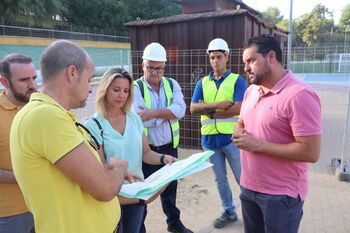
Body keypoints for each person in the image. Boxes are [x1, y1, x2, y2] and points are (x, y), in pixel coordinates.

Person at [10, 40, 128, 233]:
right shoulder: (45, 117)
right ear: (72, 73)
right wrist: (120, 167)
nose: (91, 89)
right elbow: (105, 189)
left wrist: (108, 169)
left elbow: (76, 175)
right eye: (89, 79)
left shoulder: (53, 115)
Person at [232, 34, 321, 233]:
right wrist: (238, 131)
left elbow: (311, 152)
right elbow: (241, 121)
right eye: (245, 62)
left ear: (271, 57)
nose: (246, 67)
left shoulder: (299, 95)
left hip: (281, 196)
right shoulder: (251, 92)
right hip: (248, 187)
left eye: (251, 60)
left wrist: (258, 145)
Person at [84, 67, 176, 233]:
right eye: (116, 90)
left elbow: (146, 153)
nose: (122, 95)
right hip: (113, 196)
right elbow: (99, 166)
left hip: (136, 191)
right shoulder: (94, 125)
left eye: (126, 91)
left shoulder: (134, 119)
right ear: (105, 89)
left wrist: (164, 159)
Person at [133, 42, 191, 233]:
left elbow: (181, 110)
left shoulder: (171, 84)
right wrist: (167, 115)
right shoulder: (136, 88)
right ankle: (139, 228)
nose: (155, 72)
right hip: (146, 151)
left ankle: (174, 224)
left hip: (169, 147)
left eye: (159, 68)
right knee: (144, 192)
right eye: (150, 67)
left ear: (164, 67)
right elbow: (140, 119)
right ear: (143, 65)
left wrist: (154, 114)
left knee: (170, 189)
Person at [190, 38, 247, 229]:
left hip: (232, 139)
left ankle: (252, 212)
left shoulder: (237, 80)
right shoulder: (202, 82)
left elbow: (239, 107)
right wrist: (216, 106)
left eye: (219, 57)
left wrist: (206, 110)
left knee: (243, 178)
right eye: (212, 57)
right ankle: (229, 211)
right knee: (220, 180)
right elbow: (192, 108)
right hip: (209, 141)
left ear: (227, 57)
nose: (215, 61)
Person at [0, 54, 36, 233]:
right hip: (10, 214)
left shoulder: (37, 107)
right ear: (4, 82)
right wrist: (26, 176)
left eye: (34, 78)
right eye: (24, 80)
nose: (33, 85)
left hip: (43, 206)